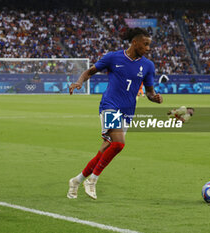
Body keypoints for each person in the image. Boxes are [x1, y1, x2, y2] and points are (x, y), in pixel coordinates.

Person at [67, 28, 163, 200]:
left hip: (128, 111)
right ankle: (92, 180)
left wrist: (154, 98)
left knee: (105, 149)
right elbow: (89, 72)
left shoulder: (148, 66)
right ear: (135, 42)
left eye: (150, 45)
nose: (149, 48)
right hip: (110, 105)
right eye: (145, 44)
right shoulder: (113, 57)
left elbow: (149, 92)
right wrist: (79, 82)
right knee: (119, 144)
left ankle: (76, 180)